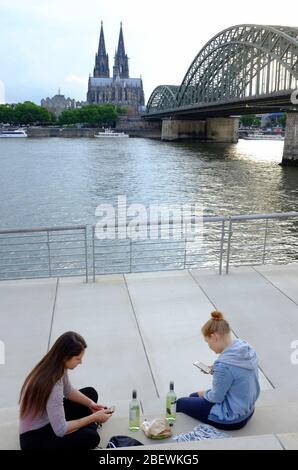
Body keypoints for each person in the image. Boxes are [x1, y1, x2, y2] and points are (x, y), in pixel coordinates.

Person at [19, 331, 112, 449]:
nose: (81, 362)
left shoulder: (56, 365)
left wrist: (92, 405)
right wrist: (93, 418)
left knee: (90, 393)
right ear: (65, 357)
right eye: (78, 358)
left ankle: (85, 424)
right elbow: (61, 430)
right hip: (35, 439)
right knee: (91, 437)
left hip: (49, 419)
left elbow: (68, 391)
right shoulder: (53, 386)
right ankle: (88, 426)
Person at [176, 311, 260, 430]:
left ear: (214, 337)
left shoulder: (224, 366)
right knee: (195, 396)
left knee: (181, 402)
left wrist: (203, 393)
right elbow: (235, 374)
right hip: (248, 409)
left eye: (207, 342)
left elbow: (215, 397)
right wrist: (215, 370)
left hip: (232, 419)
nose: (209, 346)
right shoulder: (245, 349)